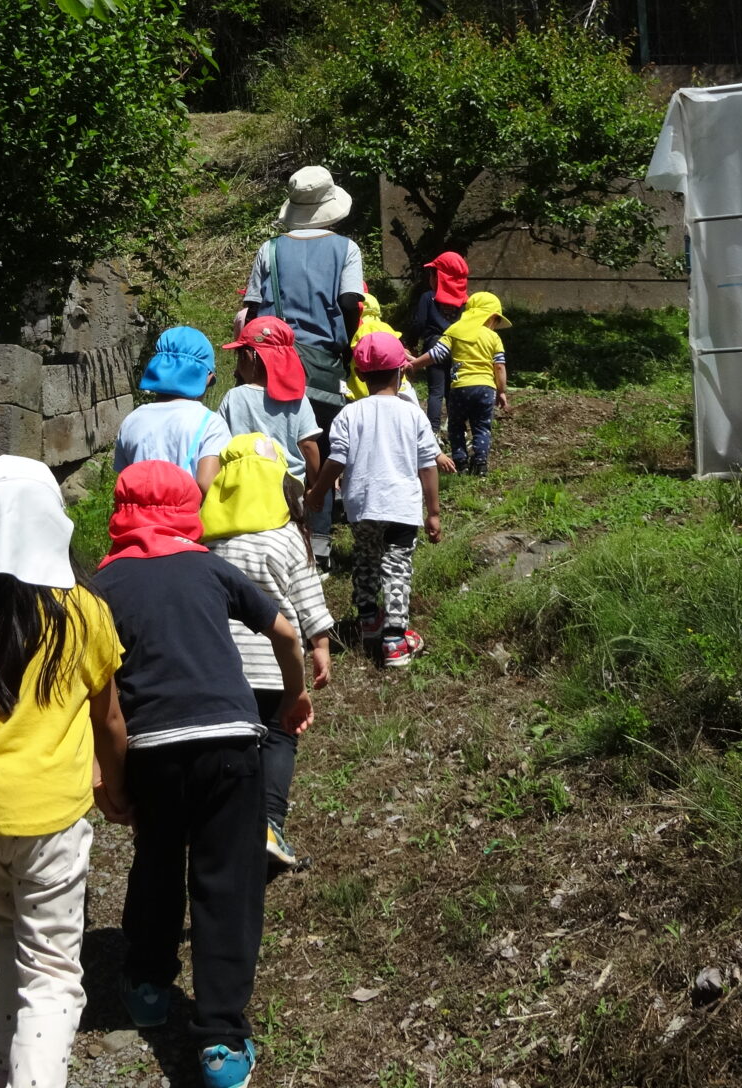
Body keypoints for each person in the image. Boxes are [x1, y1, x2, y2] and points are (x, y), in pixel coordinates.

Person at [94, 461, 315, 1088]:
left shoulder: (101, 587)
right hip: (231, 743)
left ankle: (147, 987)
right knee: (227, 882)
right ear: (190, 509)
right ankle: (220, 1040)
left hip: (153, 749)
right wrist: (293, 695)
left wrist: (109, 779)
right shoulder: (211, 567)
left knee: (157, 862)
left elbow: (100, 701)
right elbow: (286, 634)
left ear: (120, 514)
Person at [0, 456, 129, 1088]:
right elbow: (111, 719)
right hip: (50, 818)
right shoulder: (85, 612)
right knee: (52, 969)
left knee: (8, 927)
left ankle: (5, 1060)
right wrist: (117, 787)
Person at [200, 433, 333, 873]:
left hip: (221, 668)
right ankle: (270, 824)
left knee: (235, 745)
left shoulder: (206, 543)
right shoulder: (288, 537)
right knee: (279, 737)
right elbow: (308, 597)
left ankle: (229, 826)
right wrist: (320, 646)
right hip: (277, 667)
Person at [241, 165, 363, 571]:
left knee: (271, 450)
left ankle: (272, 536)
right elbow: (349, 302)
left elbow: (252, 308)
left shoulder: (270, 249)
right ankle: (320, 547)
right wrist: (345, 345)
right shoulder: (346, 249)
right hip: (323, 364)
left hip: (271, 364)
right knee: (320, 456)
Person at [307, 332, 442, 669]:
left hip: (363, 506)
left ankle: (369, 620)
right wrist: (434, 512)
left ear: (361, 375)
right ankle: (395, 640)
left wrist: (318, 492)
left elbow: (336, 459)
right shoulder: (413, 414)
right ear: (400, 372)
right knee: (397, 566)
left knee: (366, 559)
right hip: (401, 507)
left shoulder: (349, 414)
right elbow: (427, 465)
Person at [115, 326, 230, 493]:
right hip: (190, 510)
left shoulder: (132, 420)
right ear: (207, 377)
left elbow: (124, 481)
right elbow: (207, 484)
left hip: (138, 509)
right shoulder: (210, 423)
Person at [408, 290, 512, 475]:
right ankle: (480, 464)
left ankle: (461, 462)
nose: (495, 325)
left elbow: (436, 354)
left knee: (456, 426)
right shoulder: (493, 337)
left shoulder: (455, 330)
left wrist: (414, 364)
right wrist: (501, 391)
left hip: (460, 388)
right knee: (481, 426)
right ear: (490, 317)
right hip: (485, 389)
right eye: (496, 320)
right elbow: (499, 367)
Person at [218, 315, 324, 480]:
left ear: (248, 356)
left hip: (243, 482)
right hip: (287, 485)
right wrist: (315, 486)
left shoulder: (234, 396)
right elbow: (308, 446)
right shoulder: (297, 399)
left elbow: (219, 441)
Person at [408, 251, 470, 433]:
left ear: (439, 277)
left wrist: (411, 343)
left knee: (436, 391)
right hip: (457, 347)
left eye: (432, 273)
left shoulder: (428, 297)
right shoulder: (465, 302)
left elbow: (419, 323)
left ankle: (433, 431)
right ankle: (457, 429)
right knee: (452, 390)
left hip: (434, 347)